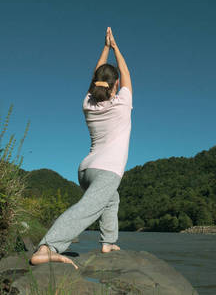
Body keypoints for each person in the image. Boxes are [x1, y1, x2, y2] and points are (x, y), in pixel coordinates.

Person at [30, 27, 132, 269]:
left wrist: (105, 48)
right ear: (115, 85)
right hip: (107, 171)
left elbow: (95, 76)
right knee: (87, 209)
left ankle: (108, 242)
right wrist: (116, 47)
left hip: (85, 170)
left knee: (111, 198)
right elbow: (127, 74)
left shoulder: (88, 103)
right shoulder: (122, 104)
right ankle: (47, 247)